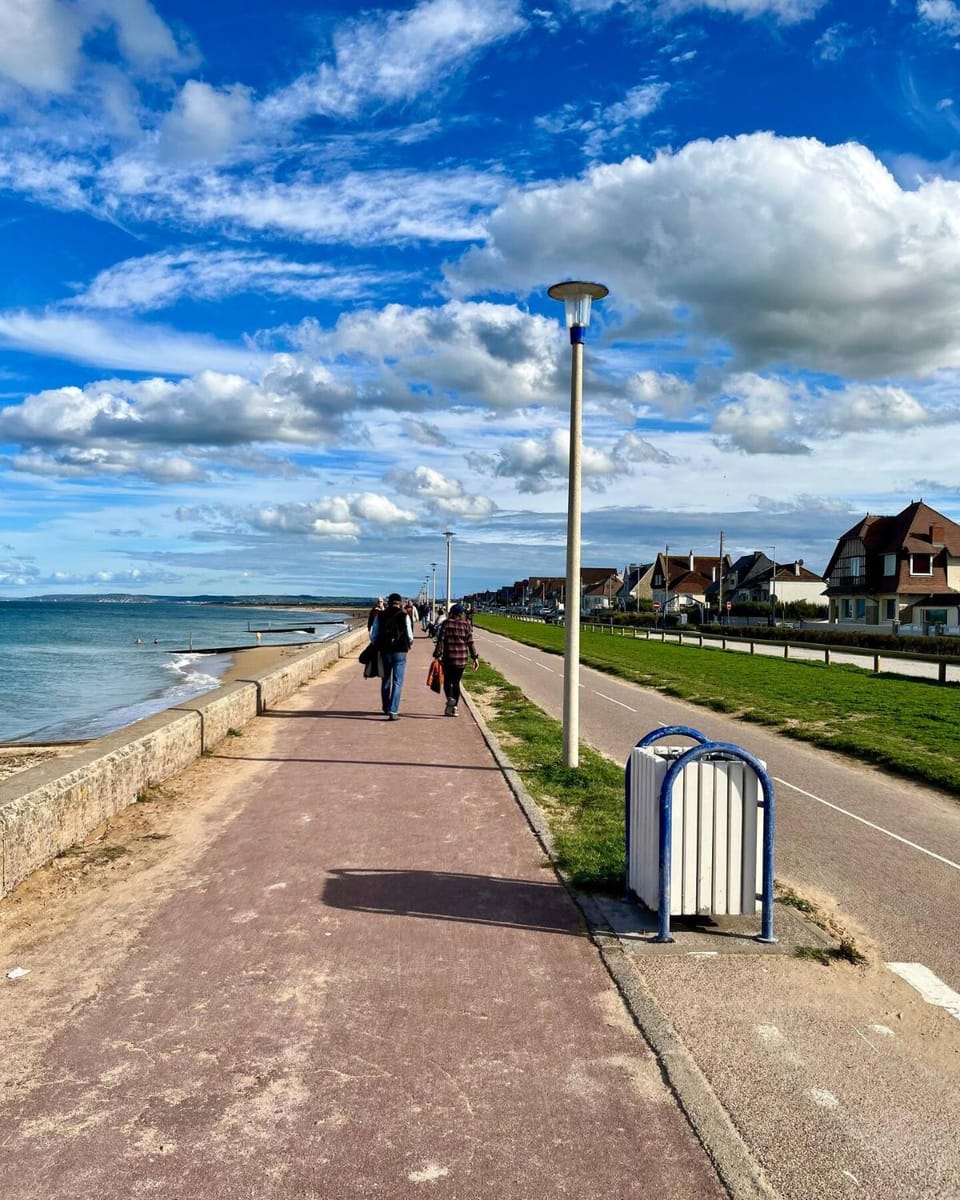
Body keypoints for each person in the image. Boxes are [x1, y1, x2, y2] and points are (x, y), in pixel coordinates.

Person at [369, 593, 414, 720]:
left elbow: (374, 634)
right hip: (400, 651)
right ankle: (394, 711)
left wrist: (377, 644)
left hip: (385, 650)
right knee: (397, 681)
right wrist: (409, 645)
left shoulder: (380, 615)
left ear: (388, 602)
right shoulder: (404, 615)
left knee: (386, 679)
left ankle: (386, 707)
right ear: (399, 603)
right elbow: (410, 636)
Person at [433, 603, 479, 717]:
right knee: (456, 682)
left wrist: (437, 654)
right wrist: (475, 658)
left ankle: (449, 698)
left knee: (447, 681)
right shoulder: (466, 625)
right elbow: (470, 643)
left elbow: (441, 640)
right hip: (462, 659)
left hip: (449, 658)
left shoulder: (446, 624)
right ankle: (455, 707)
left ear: (451, 613)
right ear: (461, 614)